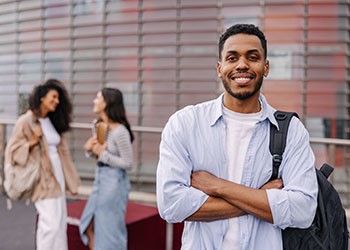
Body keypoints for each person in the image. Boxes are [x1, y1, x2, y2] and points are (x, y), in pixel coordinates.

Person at [156, 24, 318, 250]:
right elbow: (171, 206)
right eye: (232, 58)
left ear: (266, 67)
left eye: (253, 57)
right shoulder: (185, 124)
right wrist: (260, 198)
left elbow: (303, 210)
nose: (242, 65)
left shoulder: (291, 130)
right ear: (219, 68)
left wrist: (218, 186)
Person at [5, 79, 81, 250]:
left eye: (58, 98)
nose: (57, 101)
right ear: (42, 98)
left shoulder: (52, 121)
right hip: (42, 179)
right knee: (50, 225)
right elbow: (12, 152)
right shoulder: (26, 121)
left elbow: (63, 155)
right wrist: (32, 141)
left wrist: (71, 181)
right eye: (53, 97)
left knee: (60, 223)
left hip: (57, 176)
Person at [79, 87, 134, 250]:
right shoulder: (98, 126)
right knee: (88, 222)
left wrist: (103, 154)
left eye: (98, 98)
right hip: (100, 178)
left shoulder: (120, 131)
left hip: (115, 182)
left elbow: (128, 163)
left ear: (107, 102)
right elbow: (98, 153)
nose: (94, 101)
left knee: (110, 229)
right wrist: (89, 150)